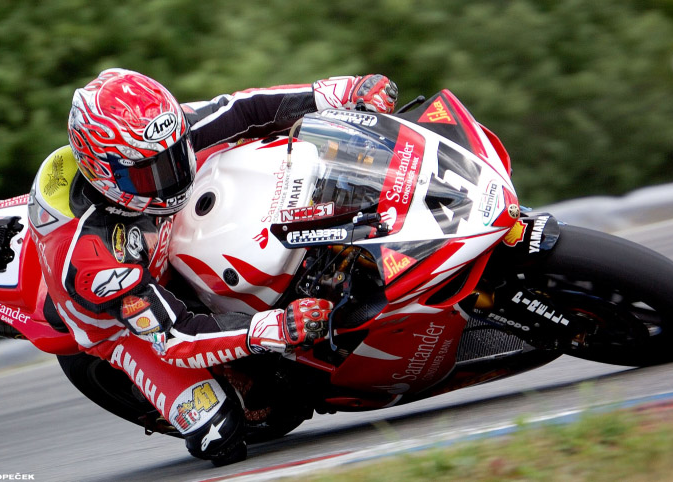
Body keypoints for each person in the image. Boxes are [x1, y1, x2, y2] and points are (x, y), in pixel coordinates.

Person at [26, 68, 398, 464]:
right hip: (129, 328)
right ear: (105, 173)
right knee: (220, 435)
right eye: (152, 172)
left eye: (176, 157)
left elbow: (243, 110)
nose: (172, 176)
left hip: (164, 239)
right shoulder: (93, 261)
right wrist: (275, 327)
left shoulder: (152, 139)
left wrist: (340, 93)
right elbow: (176, 336)